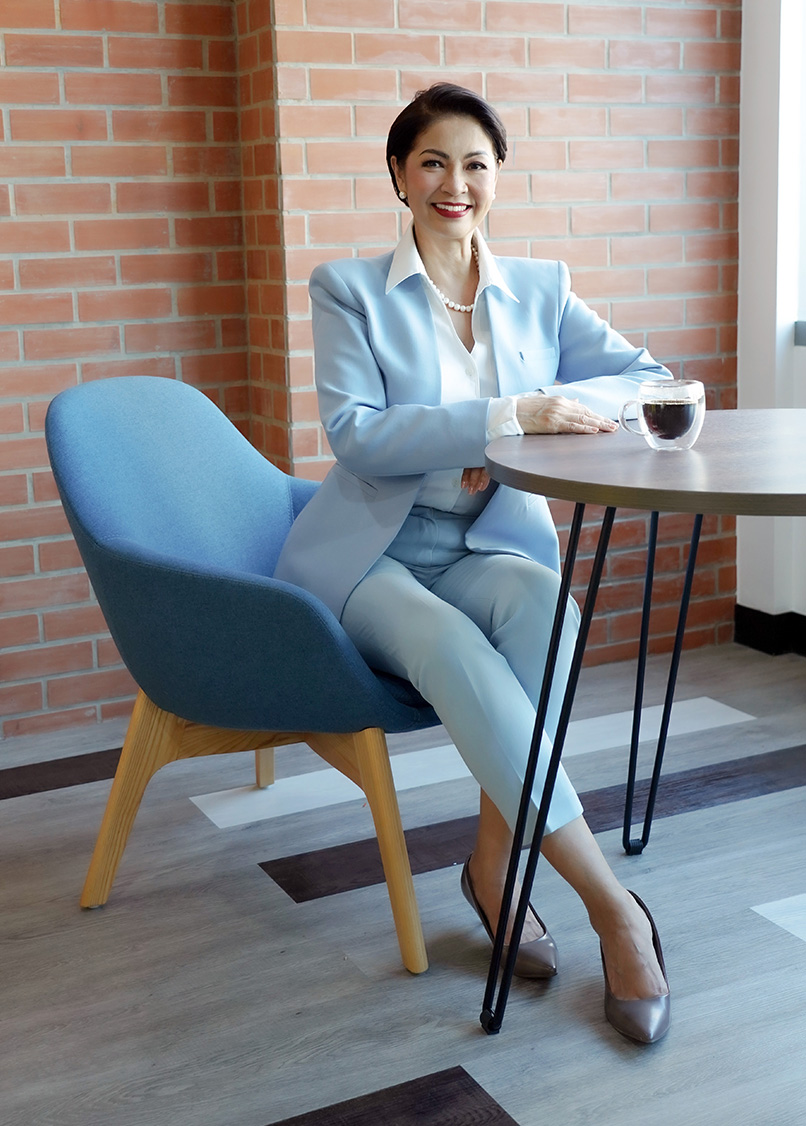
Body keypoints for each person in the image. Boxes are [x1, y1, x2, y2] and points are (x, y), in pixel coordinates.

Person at [275, 83, 671, 1044]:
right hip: (372, 557)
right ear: (400, 178)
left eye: (477, 164)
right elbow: (358, 438)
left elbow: (648, 380)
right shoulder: (349, 288)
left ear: (498, 176)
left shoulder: (539, 287)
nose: (457, 184)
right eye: (434, 163)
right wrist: (511, 415)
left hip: (485, 543)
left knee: (549, 611)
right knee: (453, 650)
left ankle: (492, 871)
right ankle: (615, 908)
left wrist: (567, 410)